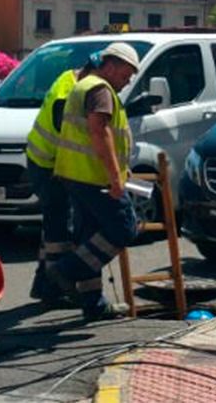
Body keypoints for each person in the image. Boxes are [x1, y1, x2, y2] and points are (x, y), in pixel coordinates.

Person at [41, 42, 142, 320]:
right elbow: (100, 132)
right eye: (125, 74)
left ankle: (93, 304)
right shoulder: (100, 90)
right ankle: (64, 271)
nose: (127, 81)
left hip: (75, 174)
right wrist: (115, 179)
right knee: (124, 228)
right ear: (109, 66)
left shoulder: (84, 85)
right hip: (93, 176)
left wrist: (121, 169)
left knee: (89, 236)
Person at [25, 55, 97, 302]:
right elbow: (71, 134)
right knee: (59, 227)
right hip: (48, 165)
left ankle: (41, 284)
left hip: (42, 160)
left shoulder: (68, 79)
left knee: (54, 223)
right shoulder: (69, 95)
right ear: (90, 73)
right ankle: (55, 288)